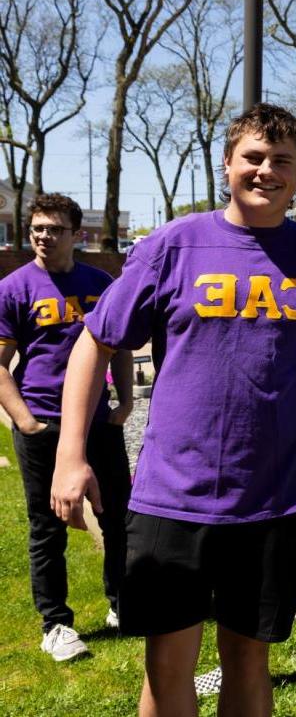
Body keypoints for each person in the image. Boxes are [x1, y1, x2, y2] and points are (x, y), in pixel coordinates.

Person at [51, 103, 296, 716]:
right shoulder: (174, 244)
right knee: (167, 666)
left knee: (248, 663)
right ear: (227, 165)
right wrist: (70, 455)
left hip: (272, 499)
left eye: (281, 160)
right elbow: (94, 342)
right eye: (253, 158)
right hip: (172, 497)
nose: (266, 171)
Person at [0, 193, 132, 661]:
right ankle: (55, 623)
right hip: (43, 425)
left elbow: (119, 346)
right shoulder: (14, 288)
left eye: (54, 229)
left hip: (98, 422)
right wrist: (24, 420)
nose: (43, 236)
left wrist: (125, 401)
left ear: (77, 234)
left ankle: (123, 604)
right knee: (47, 526)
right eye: (37, 228)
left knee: (118, 516)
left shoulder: (100, 283)